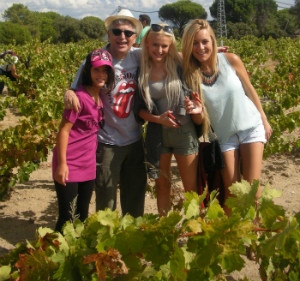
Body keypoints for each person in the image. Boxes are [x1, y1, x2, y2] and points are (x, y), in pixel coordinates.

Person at [181, 19, 273, 212]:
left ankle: (251, 234)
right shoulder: (190, 74)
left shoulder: (231, 60)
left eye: (205, 41)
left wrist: (264, 120)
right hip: (224, 137)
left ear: (213, 41)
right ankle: (229, 237)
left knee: (252, 191)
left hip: (251, 128)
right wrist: (198, 112)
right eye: (195, 43)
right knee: (231, 193)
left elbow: (250, 90)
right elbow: (200, 119)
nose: (200, 47)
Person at [64, 9, 147, 218]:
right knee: (106, 200)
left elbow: (169, 54)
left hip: (135, 141)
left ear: (135, 37)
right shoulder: (96, 59)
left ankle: (132, 242)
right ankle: (106, 246)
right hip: (106, 143)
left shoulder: (139, 56)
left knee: (135, 197)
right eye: (117, 31)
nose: (122, 37)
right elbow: (75, 89)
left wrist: (213, 52)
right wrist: (68, 92)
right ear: (108, 34)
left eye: (128, 33)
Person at [134, 23, 209, 216]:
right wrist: (158, 119)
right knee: (162, 186)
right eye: (155, 45)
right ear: (147, 44)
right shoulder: (141, 69)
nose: (160, 50)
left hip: (184, 133)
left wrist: (221, 54)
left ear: (170, 47)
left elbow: (205, 58)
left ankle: (197, 230)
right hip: (157, 136)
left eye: (164, 46)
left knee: (192, 189)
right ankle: (165, 231)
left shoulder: (180, 64)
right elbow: (140, 110)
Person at [53, 49, 115, 232]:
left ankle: (76, 256)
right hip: (69, 163)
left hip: (88, 165)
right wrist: (62, 165)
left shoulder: (100, 96)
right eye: (96, 70)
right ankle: (51, 257)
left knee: (82, 214)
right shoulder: (79, 98)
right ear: (87, 71)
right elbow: (63, 131)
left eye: (105, 70)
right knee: (66, 216)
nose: (101, 74)